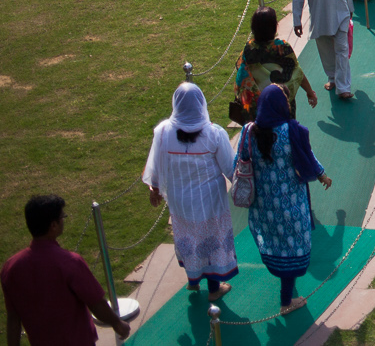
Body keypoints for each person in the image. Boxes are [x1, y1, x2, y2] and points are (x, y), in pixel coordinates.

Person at [241, 85, 331, 315]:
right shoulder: (291, 130)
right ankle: (286, 302)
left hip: (264, 206)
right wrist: (322, 175)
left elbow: (238, 164)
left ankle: (287, 291)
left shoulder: (250, 133)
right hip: (291, 202)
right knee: (292, 247)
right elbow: (307, 158)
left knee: (276, 245)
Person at [144, 82, 238, 298]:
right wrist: (246, 189)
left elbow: (156, 165)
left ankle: (192, 281)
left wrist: (155, 188)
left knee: (187, 236)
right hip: (209, 200)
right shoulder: (214, 134)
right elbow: (230, 168)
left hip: (180, 199)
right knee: (210, 238)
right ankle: (214, 288)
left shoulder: (163, 132)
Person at [3, 195, 133, 344]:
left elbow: (13, 317)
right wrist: (117, 323)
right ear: (53, 225)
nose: (63, 220)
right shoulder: (69, 262)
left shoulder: (11, 267)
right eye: (62, 217)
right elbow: (97, 304)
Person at [231, 6, 316, 125]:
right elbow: (297, 73)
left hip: (259, 109)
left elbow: (241, 76)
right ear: (274, 27)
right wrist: (310, 92)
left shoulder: (249, 49)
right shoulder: (283, 47)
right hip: (283, 105)